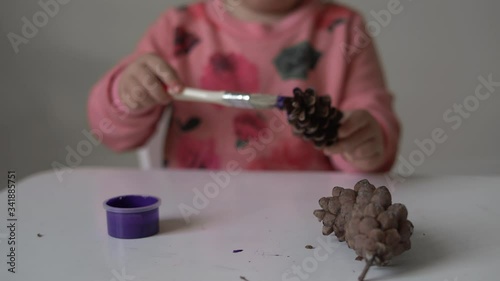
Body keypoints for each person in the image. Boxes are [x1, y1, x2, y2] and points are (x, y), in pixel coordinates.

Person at [88, 0, 400, 172]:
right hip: (193, 220)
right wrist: (127, 95)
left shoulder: (344, 30)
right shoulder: (178, 29)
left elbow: (371, 127)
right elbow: (111, 134)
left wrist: (365, 144)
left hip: (311, 223)